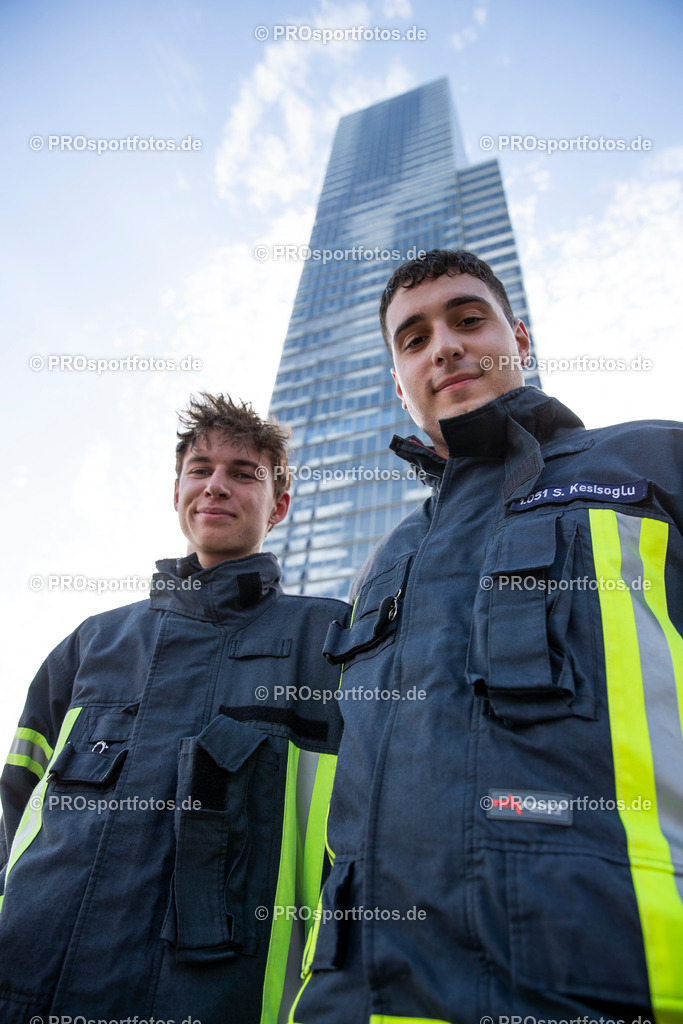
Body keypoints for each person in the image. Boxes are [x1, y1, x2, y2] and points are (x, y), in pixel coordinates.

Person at [290, 250, 683, 1022]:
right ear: (398, 386)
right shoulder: (382, 562)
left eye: (468, 319)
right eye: (413, 339)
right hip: (359, 998)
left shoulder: (651, 463)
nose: (443, 346)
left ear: (520, 339)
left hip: (614, 983)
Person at [0, 393, 349, 1024]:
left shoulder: (329, 640)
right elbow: (16, 807)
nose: (217, 485)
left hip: (220, 1002)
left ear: (281, 506)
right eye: (201, 469)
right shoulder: (91, 643)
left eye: (244, 473)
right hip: (26, 987)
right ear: (178, 491)